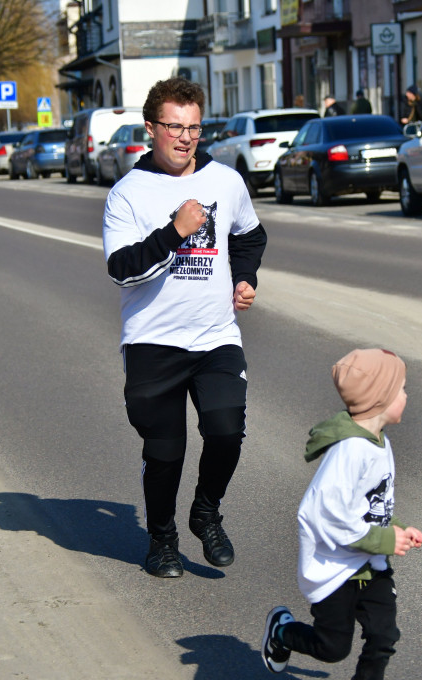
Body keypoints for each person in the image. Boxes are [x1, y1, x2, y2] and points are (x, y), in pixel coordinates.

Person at [103, 77, 267, 579]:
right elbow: (123, 269)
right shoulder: (127, 193)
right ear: (151, 128)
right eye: (174, 127)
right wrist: (176, 231)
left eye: (194, 127)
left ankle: (205, 512)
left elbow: (250, 235)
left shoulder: (225, 181)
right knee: (165, 451)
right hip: (152, 342)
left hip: (215, 336)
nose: (185, 137)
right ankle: (162, 540)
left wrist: (244, 277)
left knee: (226, 431)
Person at [261, 348, 422, 680]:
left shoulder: (378, 442)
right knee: (332, 648)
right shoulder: (350, 451)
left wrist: (398, 528)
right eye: (402, 389)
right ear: (380, 397)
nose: (407, 396)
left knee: (384, 635)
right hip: (336, 568)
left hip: (371, 566)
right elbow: (327, 515)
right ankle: (283, 632)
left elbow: (370, 505)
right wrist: (385, 539)